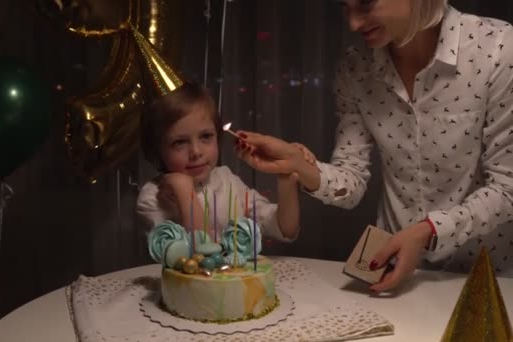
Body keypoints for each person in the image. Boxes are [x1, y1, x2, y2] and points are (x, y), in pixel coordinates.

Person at [235, 0, 513, 292]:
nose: (354, 24)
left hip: (488, 276)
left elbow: (507, 186)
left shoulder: (497, 50)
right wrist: (298, 164)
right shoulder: (356, 65)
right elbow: (352, 181)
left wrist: (426, 232)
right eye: (345, 7)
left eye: (366, 4)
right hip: (395, 274)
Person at [136, 82, 301, 243]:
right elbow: (200, 256)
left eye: (206, 136)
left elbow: (285, 229)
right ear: (157, 149)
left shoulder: (227, 180)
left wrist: (286, 181)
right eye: (180, 142)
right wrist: (184, 192)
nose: (196, 152)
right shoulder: (151, 199)